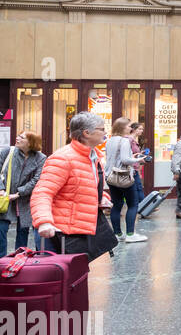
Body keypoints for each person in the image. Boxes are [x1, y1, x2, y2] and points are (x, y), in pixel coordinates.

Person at [32, 111, 115, 260]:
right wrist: (44, 222)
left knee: (75, 278)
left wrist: (101, 198)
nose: (105, 132)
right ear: (86, 133)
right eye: (101, 129)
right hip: (58, 234)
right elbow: (42, 192)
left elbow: (80, 186)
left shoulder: (92, 156)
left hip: (76, 230)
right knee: (59, 279)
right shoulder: (63, 158)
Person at [0, 131, 46, 254]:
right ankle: (2, 261)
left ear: (30, 143)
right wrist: (1, 189)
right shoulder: (8, 152)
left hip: (26, 199)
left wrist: (19, 193)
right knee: (1, 229)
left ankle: (19, 259)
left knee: (23, 231)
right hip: (5, 198)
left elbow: (37, 179)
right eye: (18, 136)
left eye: (21, 137)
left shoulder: (40, 158)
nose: (17, 138)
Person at [106, 117, 148, 241]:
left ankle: (117, 234)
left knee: (117, 204)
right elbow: (125, 160)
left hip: (111, 176)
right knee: (133, 204)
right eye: (129, 126)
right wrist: (138, 159)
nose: (131, 128)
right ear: (122, 127)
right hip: (124, 175)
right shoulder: (124, 141)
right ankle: (130, 234)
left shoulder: (110, 140)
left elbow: (116, 157)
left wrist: (131, 156)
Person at [129, 122, 147, 207]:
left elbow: (134, 153)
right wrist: (138, 156)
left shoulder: (134, 140)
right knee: (138, 188)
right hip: (131, 168)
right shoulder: (130, 140)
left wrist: (140, 153)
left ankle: (144, 206)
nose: (142, 131)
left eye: (142, 129)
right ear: (133, 129)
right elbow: (129, 154)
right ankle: (144, 207)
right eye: (140, 129)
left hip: (134, 167)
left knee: (138, 188)